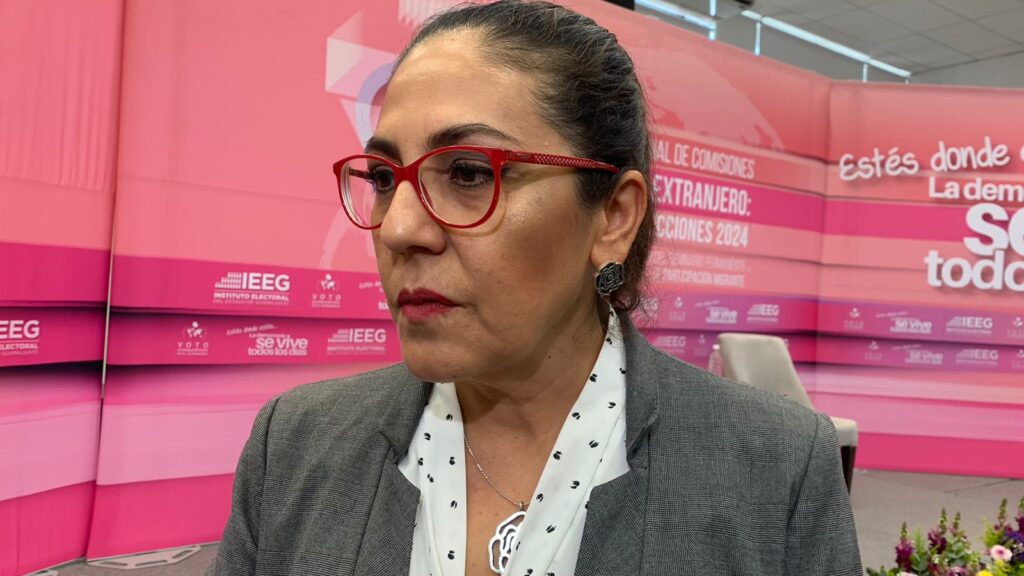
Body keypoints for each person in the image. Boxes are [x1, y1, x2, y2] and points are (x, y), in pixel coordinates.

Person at [207, 1, 862, 574]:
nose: (399, 228)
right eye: (384, 178)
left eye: (468, 173)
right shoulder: (295, 445)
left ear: (614, 216)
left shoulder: (774, 471)